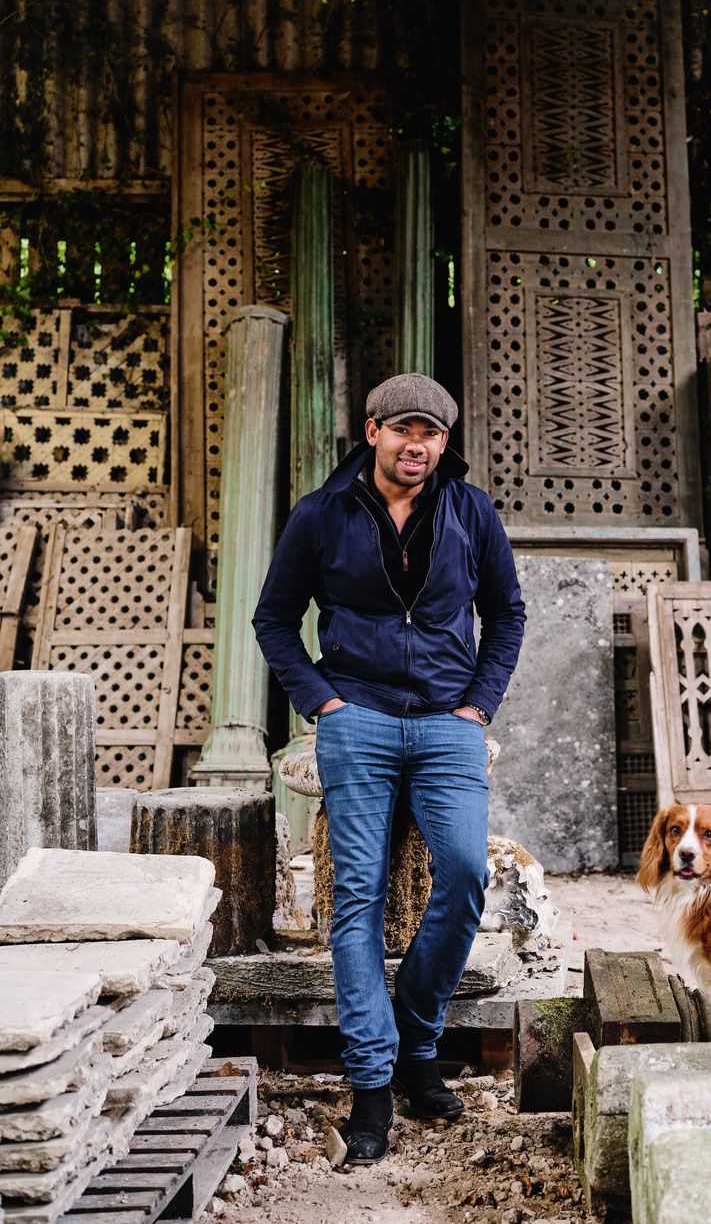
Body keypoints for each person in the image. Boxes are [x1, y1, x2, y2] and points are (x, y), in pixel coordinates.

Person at [252, 372, 526, 1164]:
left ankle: (415, 1036)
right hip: (357, 719)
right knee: (359, 897)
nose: (418, 445)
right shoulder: (322, 513)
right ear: (372, 431)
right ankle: (372, 1085)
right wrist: (320, 700)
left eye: (432, 433)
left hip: (447, 721)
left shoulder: (469, 509)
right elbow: (274, 617)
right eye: (405, 429)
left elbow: (507, 612)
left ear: (444, 443)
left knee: (468, 870)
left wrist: (479, 704)